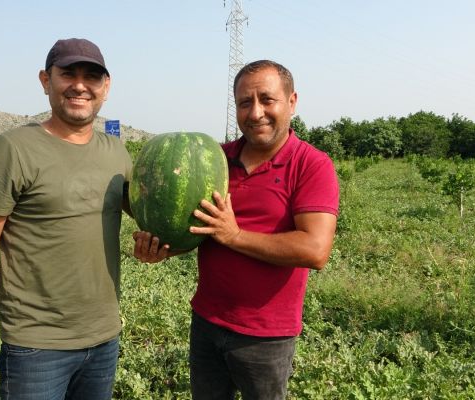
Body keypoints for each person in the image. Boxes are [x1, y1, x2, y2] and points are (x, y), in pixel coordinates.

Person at [134, 60, 339, 399]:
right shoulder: (215, 159)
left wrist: (236, 235)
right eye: (245, 102)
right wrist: (162, 249)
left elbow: (314, 250)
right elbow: (202, 230)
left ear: (292, 102)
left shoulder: (312, 165)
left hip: (265, 336)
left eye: (266, 99)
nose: (256, 112)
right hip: (207, 322)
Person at [0, 38, 133, 400]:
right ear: (46, 81)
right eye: (68, 74)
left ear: (105, 88)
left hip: (104, 338)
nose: (80, 85)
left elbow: (148, 217)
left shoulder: (117, 152)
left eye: (92, 76)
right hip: (36, 345)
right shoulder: (13, 149)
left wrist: (156, 244)